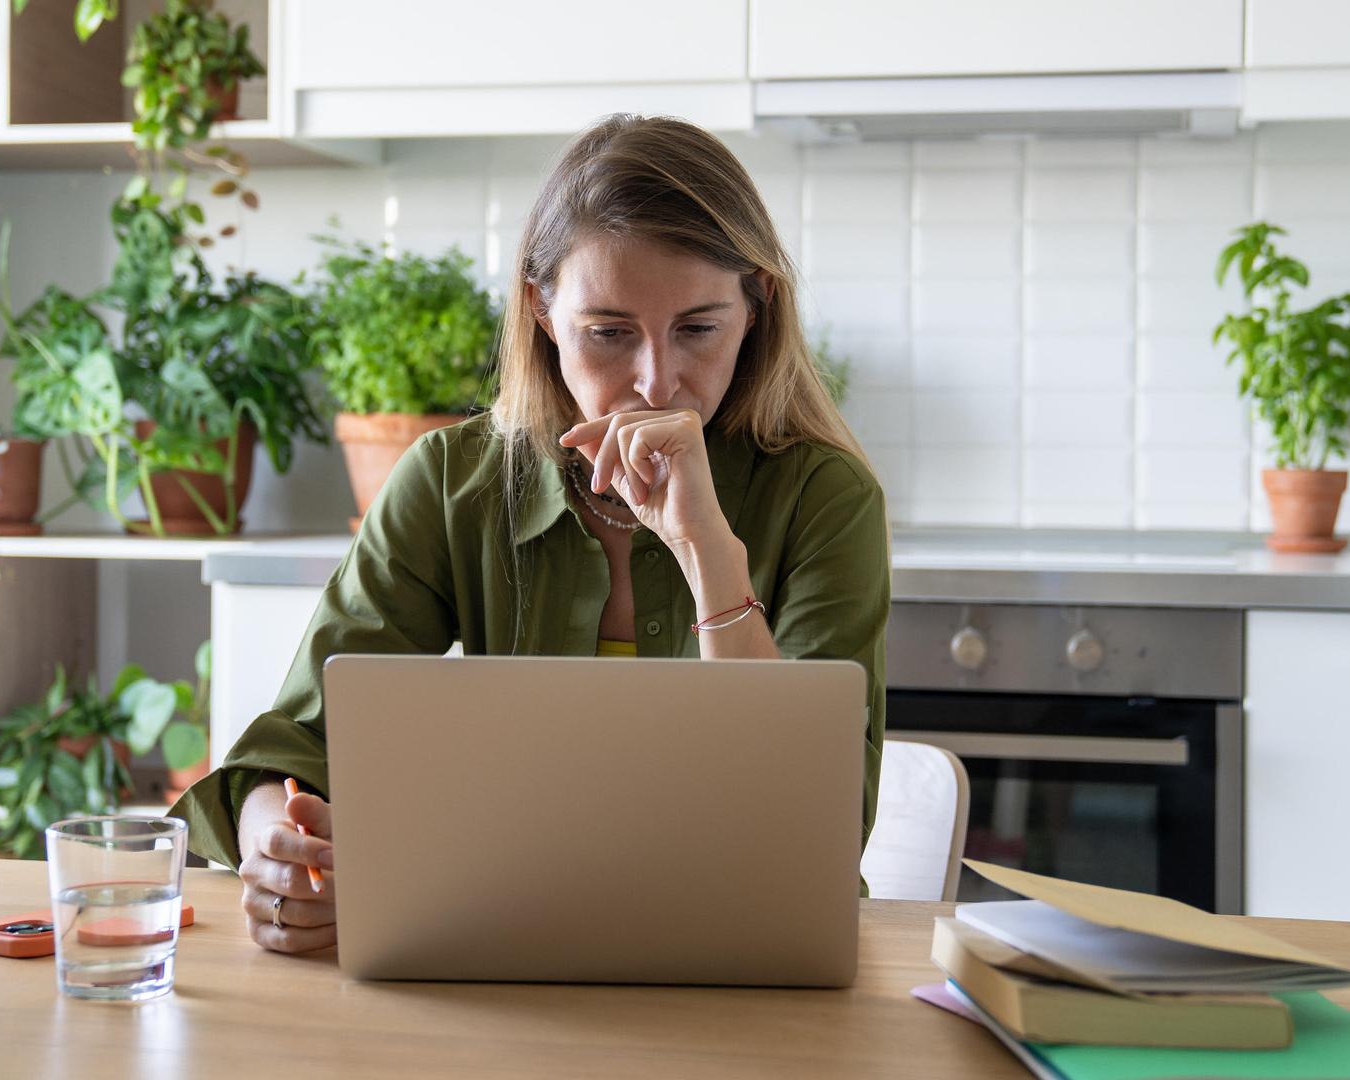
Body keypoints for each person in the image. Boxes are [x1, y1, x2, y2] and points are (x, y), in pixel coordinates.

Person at [170, 113, 891, 955]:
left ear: (756, 308)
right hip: (501, 959)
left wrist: (707, 555)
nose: (657, 378)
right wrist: (278, 854)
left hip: (753, 959)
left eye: (698, 328)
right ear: (542, 312)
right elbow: (293, 747)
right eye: (609, 333)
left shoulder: (824, 497)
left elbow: (810, 831)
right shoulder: (452, 483)